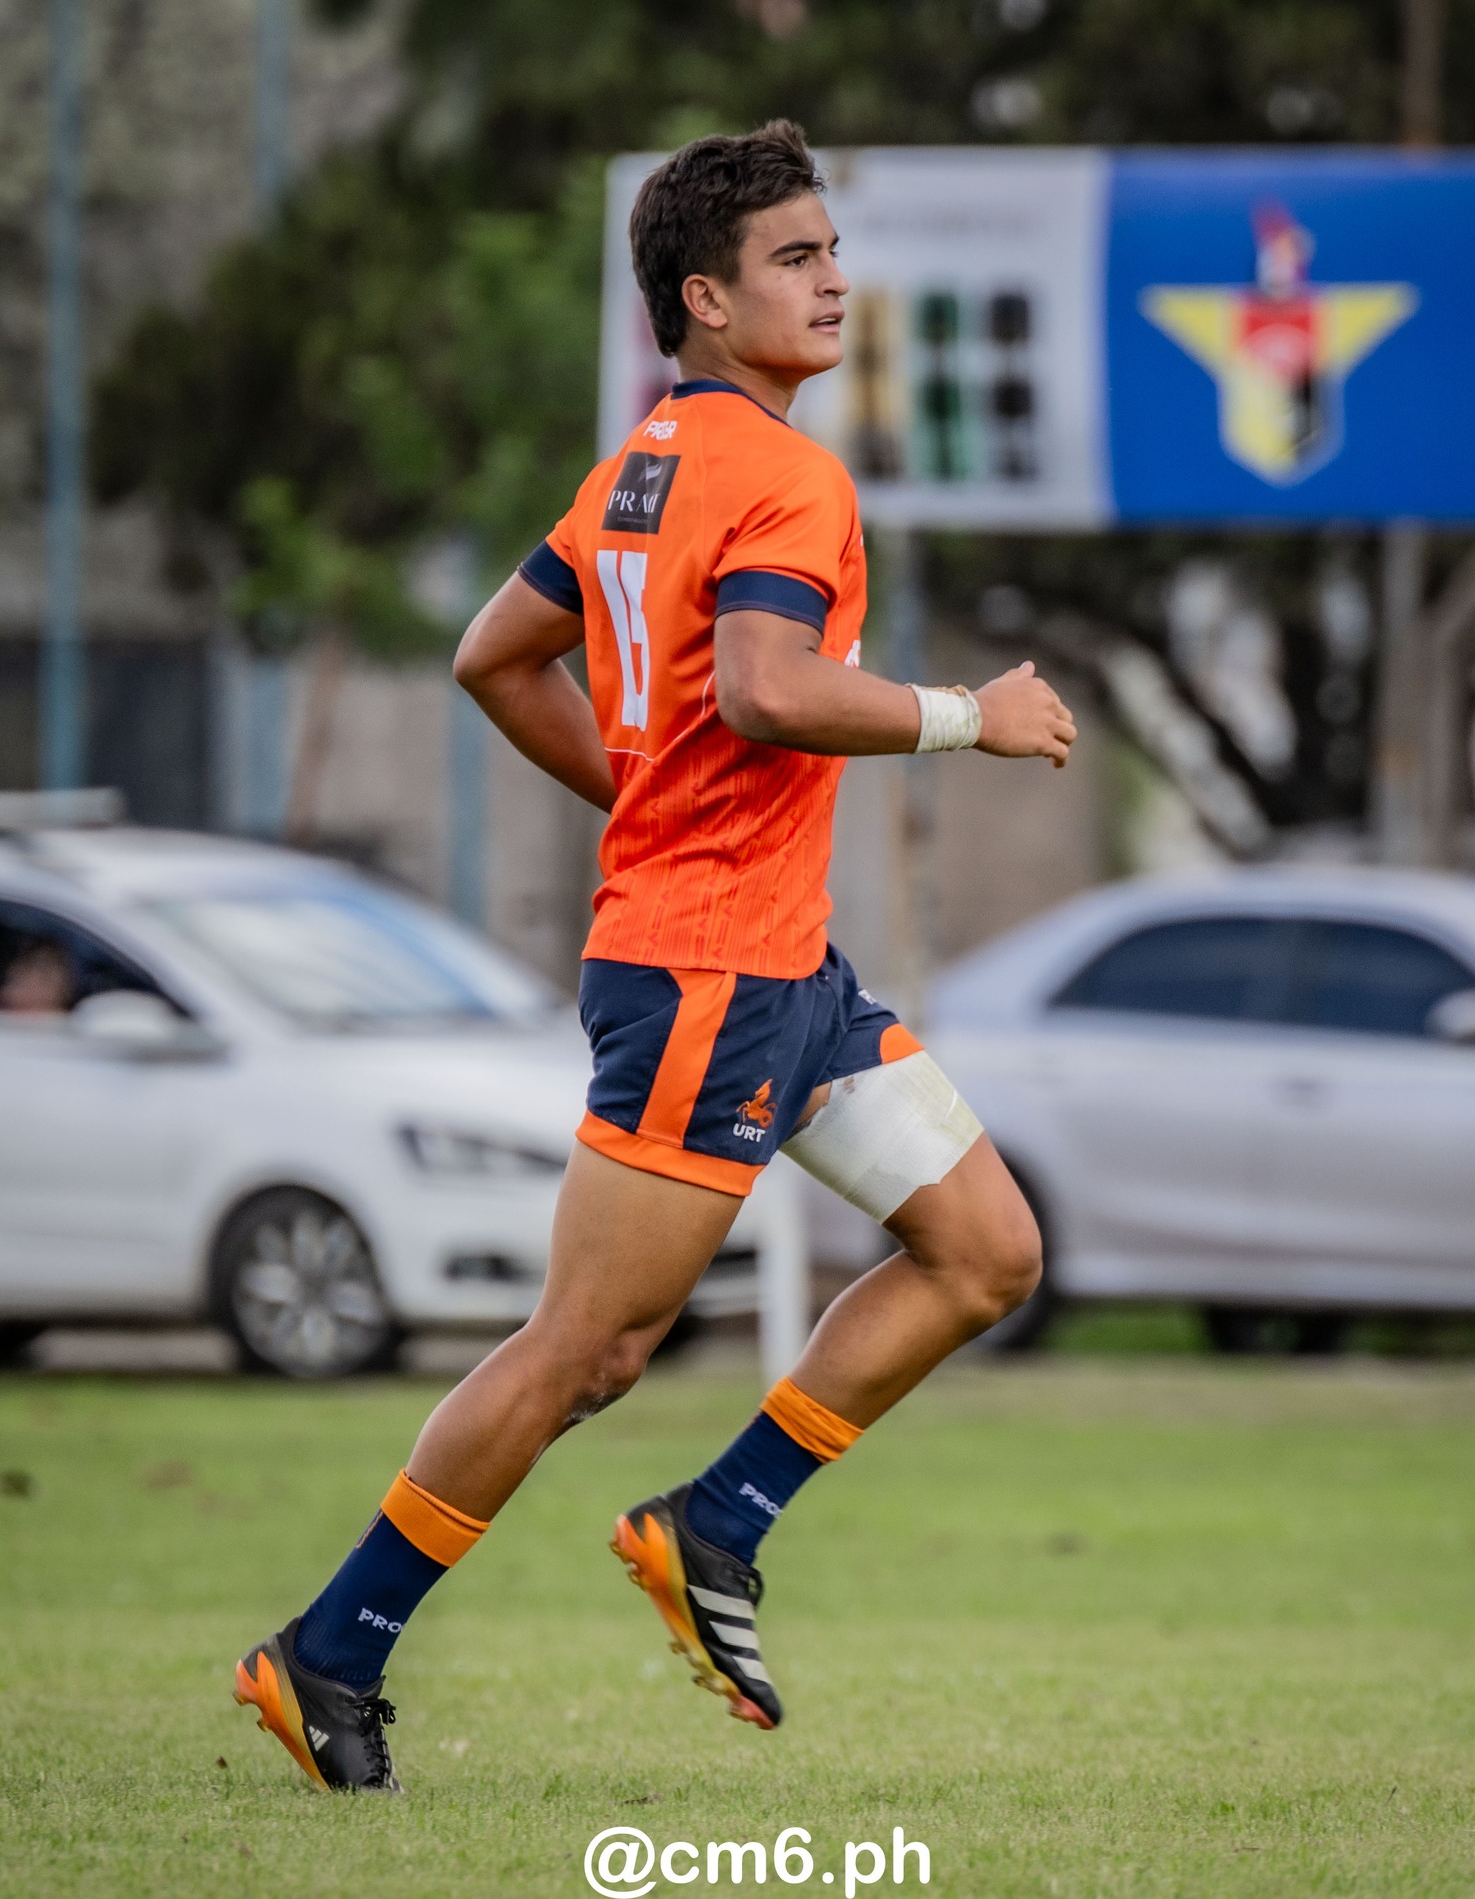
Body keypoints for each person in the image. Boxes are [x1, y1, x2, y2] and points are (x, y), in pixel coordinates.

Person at [233, 121, 1077, 1793]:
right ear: (701, 298)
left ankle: (715, 1518)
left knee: (983, 1249)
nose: (833, 280)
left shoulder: (641, 467)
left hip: (777, 964)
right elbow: (766, 686)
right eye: (792, 258)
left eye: (834, 251)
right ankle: (330, 1645)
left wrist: (651, 781)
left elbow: (497, 654)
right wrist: (967, 715)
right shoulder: (780, 473)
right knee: (584, 1350)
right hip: (708, 969)